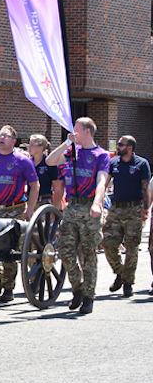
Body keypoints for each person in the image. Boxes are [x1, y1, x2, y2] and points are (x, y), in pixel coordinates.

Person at [45, 117, 110, 315]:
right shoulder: (73, 151)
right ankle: (77, 288)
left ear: (87, 131)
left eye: (76, 130)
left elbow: (101, 181)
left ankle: (88, 296)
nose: (73, 132)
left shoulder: (100, 155)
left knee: (88, 254)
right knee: (65, 251)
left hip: (89, 206)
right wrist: (67, 142)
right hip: (72, 206)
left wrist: (98, 203)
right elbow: (50, 160)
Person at [0, 125, 39, 302]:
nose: (1, 138)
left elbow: (35, 185)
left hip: (14, 208)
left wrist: (30, 208)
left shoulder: (22, 161)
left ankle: (8, 287)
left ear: (13, 141)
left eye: (6, 135)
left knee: (9, 249)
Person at [102, 135, 149, 298]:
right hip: (115, 209)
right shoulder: (114, 162)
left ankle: (128, 282)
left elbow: (145, 188)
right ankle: (120, 273)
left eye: (121, 145)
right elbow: (106, 182)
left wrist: (144, 210)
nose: (118, 147)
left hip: (134, 209)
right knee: (108, 243)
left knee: (131, 247)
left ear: (129, 148)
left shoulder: (141, 164)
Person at [29, 134, 64, 209]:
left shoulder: (49, 163)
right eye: (29, 144)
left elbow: (57, 187)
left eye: (32, 145)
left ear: (41, 148)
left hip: (45, 202)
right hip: (30, 202)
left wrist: (56, 208)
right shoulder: (28, 163)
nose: (29, 147)